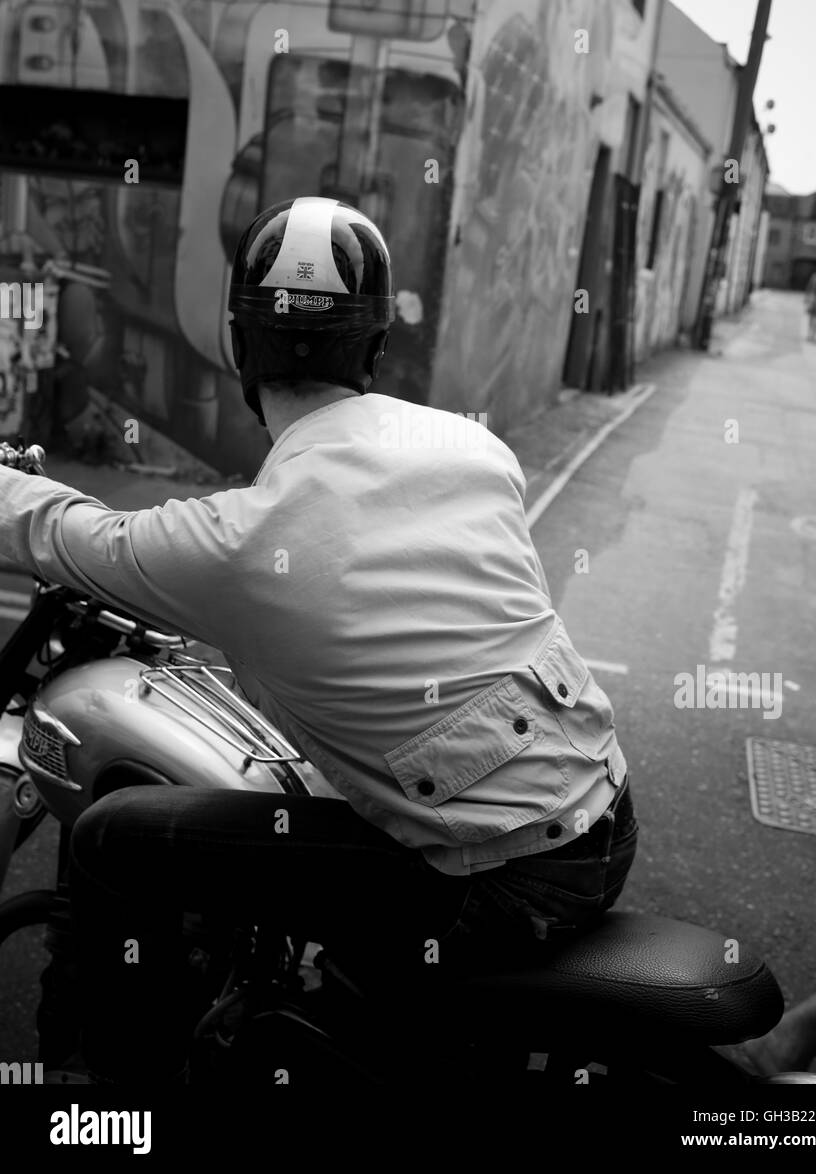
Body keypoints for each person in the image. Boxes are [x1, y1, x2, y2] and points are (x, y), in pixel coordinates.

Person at [0, 197, 636, 1085]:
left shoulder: (239, 545)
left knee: (112, 839)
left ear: (237, 345)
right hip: (602, 821)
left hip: (496, 883)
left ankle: (115, 1107)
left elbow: (69, 537)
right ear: (375, 348)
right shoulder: (473, 449)